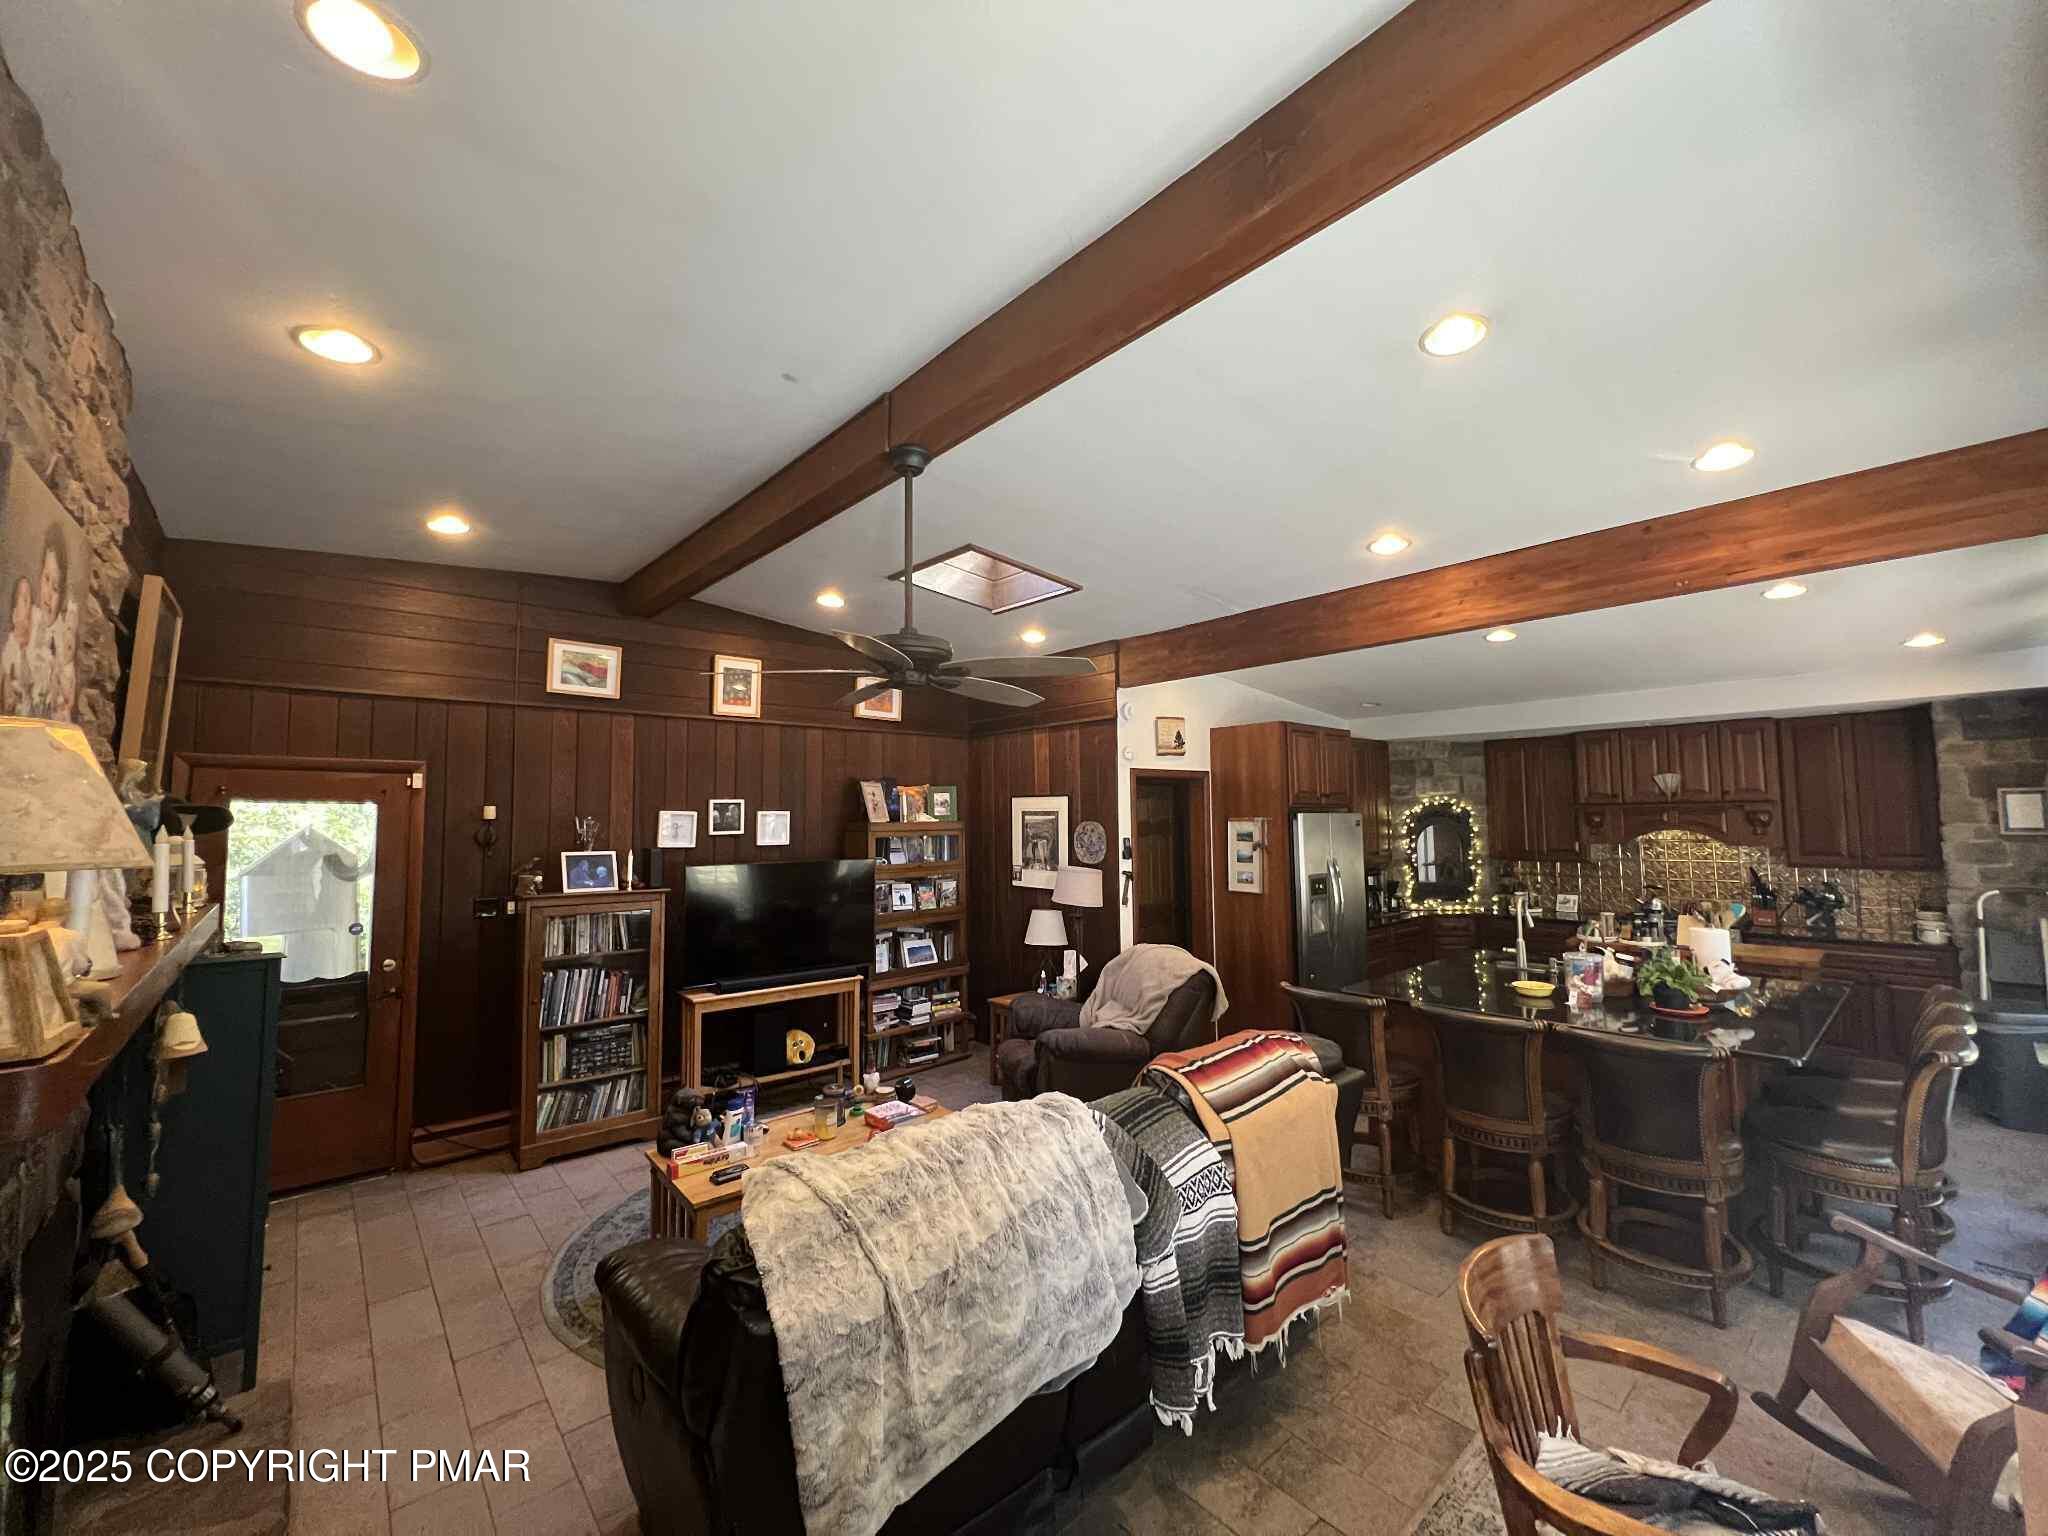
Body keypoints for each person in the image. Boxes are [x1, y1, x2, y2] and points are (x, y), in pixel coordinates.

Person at [0, 576, 32, 714]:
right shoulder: (9, 651)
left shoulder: (34, 647)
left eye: (31, 601)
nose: (29, 606)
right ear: (14, 613)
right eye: (24, 600)